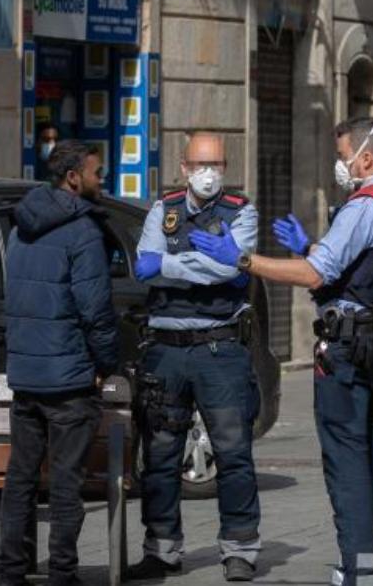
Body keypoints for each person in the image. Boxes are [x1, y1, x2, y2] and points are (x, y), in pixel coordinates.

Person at [189, 117, 373, 586]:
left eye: (343, 155)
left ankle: (357, 568)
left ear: (366, 157)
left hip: (349, 347)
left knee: (347, 457)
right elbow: (362, 269)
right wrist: (311, 245)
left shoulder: (365, 205)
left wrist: (240, 258)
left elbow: (317, 275)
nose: (341, 164)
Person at [127, 132, 262, 582]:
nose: (209, 172)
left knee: (233, 452)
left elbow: (227, 269)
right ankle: (161, 550)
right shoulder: (162, 210)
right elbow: (141, 263)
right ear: (183, 167)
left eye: (217, 164)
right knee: (161, 454)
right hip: (166, 350)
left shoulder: (241, 211)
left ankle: (239, 549)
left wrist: (169, 265)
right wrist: (196, 267)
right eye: (201, 164)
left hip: (219, 349)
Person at [0, 140, 119, 586]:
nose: (101, 180)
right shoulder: (83, 231)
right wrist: (107, 362)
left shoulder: (21, 226)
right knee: (67, 485)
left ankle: (11, 572)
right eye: (97, 173)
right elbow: (96, 312)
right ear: (73, 178)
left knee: (21, 479)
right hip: (69, 382)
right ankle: (62, 574)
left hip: (26, 379)